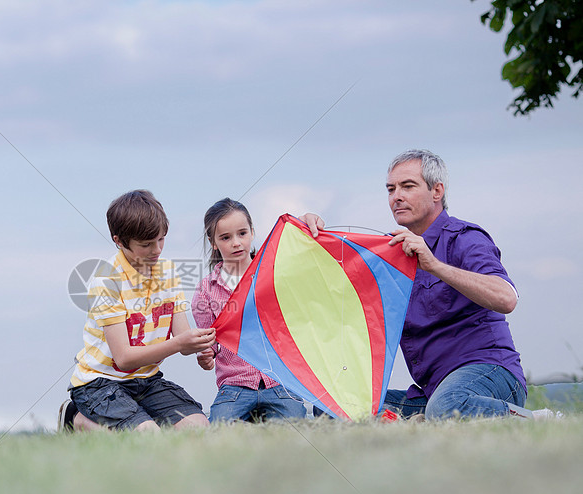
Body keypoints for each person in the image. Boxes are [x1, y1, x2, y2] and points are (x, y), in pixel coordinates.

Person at [306, 149, 536, 420]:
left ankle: (538, 420)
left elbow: (506, 298)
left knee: (447, 405)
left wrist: (435, 265)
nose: (396, 197)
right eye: (391, 189)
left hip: (491, 373)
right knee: (332, 408)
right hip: (432, 392)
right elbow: (335, 303)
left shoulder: (464, 238)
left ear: (437, 191)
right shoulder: (390, 255)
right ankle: (428, 419)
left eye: (408, 186)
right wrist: (309, 242)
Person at [60, 189, 215, 432]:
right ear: (119, 241)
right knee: (146, 436)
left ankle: (136, 417)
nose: (157, 250)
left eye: (161, 239)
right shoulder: (106, 281)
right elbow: (123, 358)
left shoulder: (169, 272)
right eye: (146, 244)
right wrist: (180, 344)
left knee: (198, 427)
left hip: (146, 380)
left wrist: (199, 349)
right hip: (101, 384)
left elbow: (182, 336)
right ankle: (75, 418)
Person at [192, 198, 307, 423]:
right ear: (213, 242)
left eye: (242, 233)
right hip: (234, 387)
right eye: (226, 237)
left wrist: (306, 223)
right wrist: (205, 356)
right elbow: (210, 345)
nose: (236, 243)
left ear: (252, 232)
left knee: (296, 425)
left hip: (279, 382)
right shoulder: (206, 290)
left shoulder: (273, 275)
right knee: (221, 427)